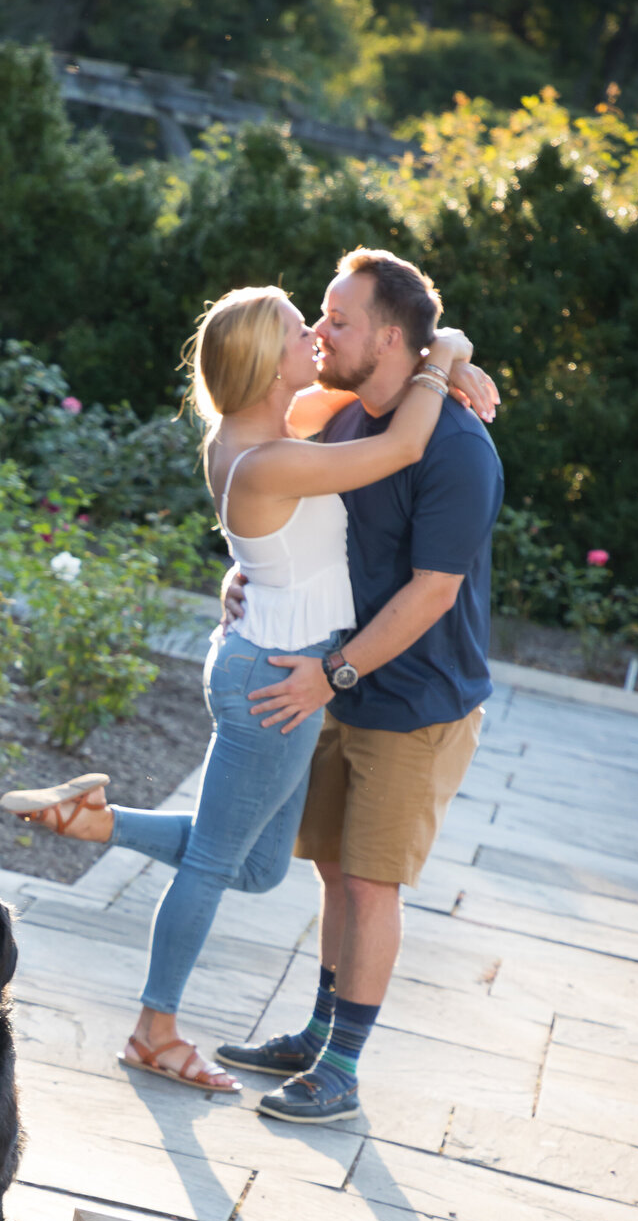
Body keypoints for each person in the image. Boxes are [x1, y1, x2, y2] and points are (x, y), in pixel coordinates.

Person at [0, 282, 496, 1093]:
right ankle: (154, 1030)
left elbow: (293, 521)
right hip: (279, 677)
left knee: (261, 866)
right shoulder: (279, 453)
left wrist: (448, 348)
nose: (320, 339)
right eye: (308, 329)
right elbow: (402, 446)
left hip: (265, 660)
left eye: (331, 323)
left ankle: (97, 821)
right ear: (273, 367)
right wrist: (445, 355)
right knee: (216, 865)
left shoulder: (258, 436)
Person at [214, 248, 504, 1123]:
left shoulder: (457, 448)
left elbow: (433, 592)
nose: (317, 330)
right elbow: (278, 508)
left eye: (336, 320)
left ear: (386, 336)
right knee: (334, 870)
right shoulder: (345, 413)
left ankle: (341, 1070)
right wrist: (246, 580)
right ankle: (314, 1032)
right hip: (335, 679)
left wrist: (331, 674)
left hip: (415, 702)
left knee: (373, 882)